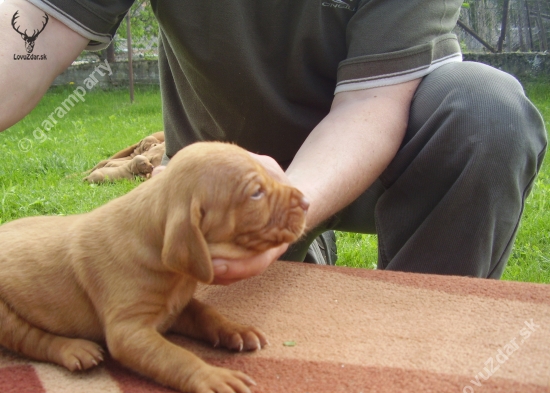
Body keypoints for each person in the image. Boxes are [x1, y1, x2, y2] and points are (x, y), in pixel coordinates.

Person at [1, 0, 546, 284]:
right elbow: (29, 32)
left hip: (376, 158)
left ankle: (426, 348)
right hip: (219, 190)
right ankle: (304, 264)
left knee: (487, 110)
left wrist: (282, 209)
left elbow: (369, 107)